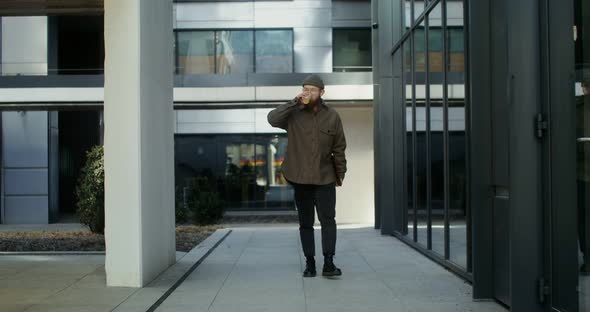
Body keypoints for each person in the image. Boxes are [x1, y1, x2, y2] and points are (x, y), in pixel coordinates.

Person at [267, 74, 347, 278]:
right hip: (300, 177)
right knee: (306, 223)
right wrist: (294, 102)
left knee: (328, 220)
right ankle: (309, 264)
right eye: (305, 89)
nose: (308, 92)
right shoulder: (293, 114)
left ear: (322, 92)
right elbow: (272, 119)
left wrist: (340, 175)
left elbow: (339, 148)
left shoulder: (333, 116)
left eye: (312, 89)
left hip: (325, 178)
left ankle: (328, 263)